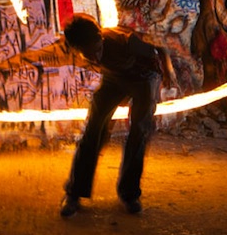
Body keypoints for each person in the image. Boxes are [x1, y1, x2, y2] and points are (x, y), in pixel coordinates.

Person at [58, 13, 177, 217]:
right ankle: (74, 193)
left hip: (144, 77)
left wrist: (168, 73)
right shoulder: (78, 46)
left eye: (97, 50)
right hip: (114, 78)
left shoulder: (126, 42)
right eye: (88, 54)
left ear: (101, 39)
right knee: (93, 130)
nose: (95, 57)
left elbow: (160, 48)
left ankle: (130, 195)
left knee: (139, 131)